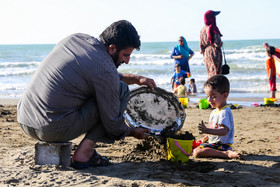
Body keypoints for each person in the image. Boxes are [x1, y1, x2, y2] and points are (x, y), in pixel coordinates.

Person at [17, 20, 156, 169]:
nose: (127, 61)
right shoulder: (105, 71)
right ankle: (85, 153)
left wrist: (136, 79)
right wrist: (132, 132)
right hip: (50, 130)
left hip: (25, 119)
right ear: (112, 48)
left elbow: (101, 73)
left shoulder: (76, 39)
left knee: (108, 88)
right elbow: (113, 124)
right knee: (120, 90)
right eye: (126, 55)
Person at [192, 75, 241, 159]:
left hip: (222, 146)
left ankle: (227, 154)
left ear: (225, 95)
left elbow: (224, 131)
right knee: (193, 147)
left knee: (197, 152)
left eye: (213, 97)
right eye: (208, 96)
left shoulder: (224, 112)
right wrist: (207, 137)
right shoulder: (214, 111)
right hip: (215, 144)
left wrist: (207, 130)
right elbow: (215, 131)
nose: (209, 100)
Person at [200, 10, 223, 78]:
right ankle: (217, 88)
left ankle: (210, 87)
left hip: (207, 53)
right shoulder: (213, 28)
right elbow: (217, 43)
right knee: (217, 73)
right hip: (214, 52)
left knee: (210, 73)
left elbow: (201, 45)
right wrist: (221, 44)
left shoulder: (202, 30)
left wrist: (205, 54)